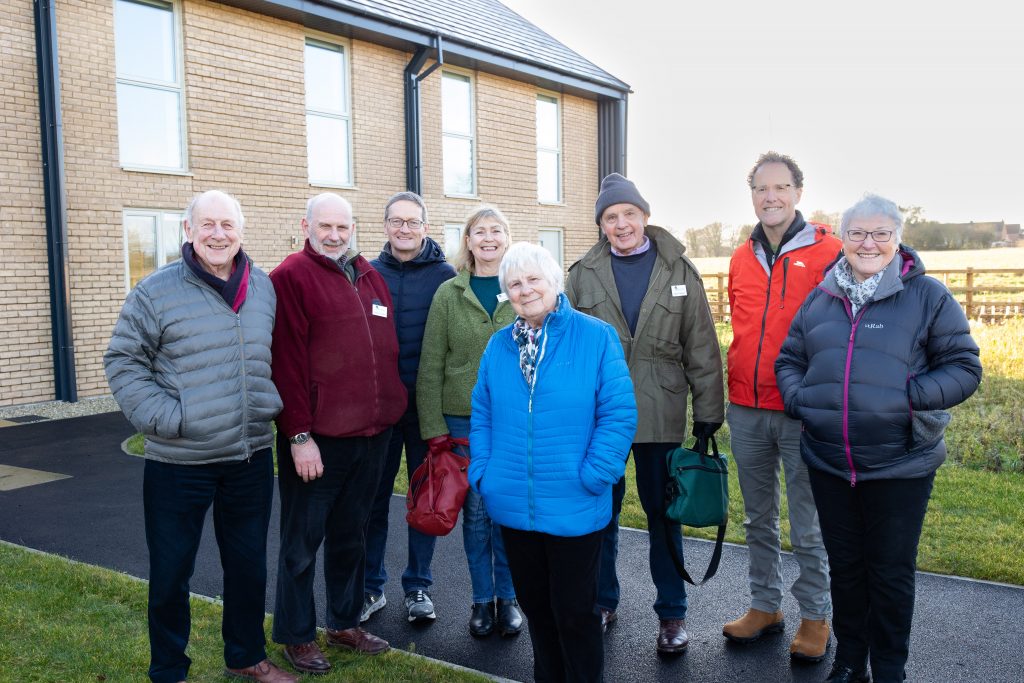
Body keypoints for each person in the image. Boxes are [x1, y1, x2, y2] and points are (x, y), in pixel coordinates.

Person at [775, 194, 982, 683]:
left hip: (899, 465)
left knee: (889, 574)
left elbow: (964, 367)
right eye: (857, 233)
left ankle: (889, 669)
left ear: (897, 239)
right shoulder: (822, 297)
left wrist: (907, 397)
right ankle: (851, 662)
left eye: (880, 233)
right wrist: (802, 400)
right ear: (843, 238)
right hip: (829, 462)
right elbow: (790, 360)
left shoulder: (927, 296)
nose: (868, 243)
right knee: (846, 568)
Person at [104, 190, 295, 683]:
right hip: (179, 461)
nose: (217, 234)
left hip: (248, 456)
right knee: (171, 572)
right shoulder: (155, 291)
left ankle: (246, 656)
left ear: (241, 231)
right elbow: (123, 361)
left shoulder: (263, 287)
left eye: (227, 224)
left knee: (248, 567)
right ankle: (169, 669)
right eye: (207, 224)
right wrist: (169, 419)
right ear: (187, 231)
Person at [566, 173, 725, 654]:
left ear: (644, 216)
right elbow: (568, 346)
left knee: (663, 515)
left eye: (629, 214)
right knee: (600, 513)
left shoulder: (679, 270)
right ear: (601, 225)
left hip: (662, 410)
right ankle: (601, 602)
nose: (621, 224)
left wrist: (708, 412)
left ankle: (672, 614)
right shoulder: (582, 274)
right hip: (601, 415)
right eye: (611, 217)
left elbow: (702, 346)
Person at [470, 242, 637, 682]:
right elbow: (482, 413)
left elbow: (618, 413)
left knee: (575, 614)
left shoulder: (596, 336)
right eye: (514, 283)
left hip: (575, 501)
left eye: (533, 279)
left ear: (554, 281)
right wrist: (484, 473)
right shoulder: (499, 346)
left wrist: (596, 474)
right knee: (538, 611)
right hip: (513, 504)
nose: (525, 290)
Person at [270, 193, 406, 675]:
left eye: (342, 227)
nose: (333, 235)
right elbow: (285, 363)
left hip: (372, 434)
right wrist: (298, 435)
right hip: (318, 440)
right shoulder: (290, 277)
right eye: (324, 226)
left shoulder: (368, 275)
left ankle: (344, 623)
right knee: (302, 543)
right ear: (306, 226)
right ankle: (296, 634)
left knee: (352, 536)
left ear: (353, 228)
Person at [722, 152, 841, 661]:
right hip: (746, 407)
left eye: (780, 187)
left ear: (798, 192)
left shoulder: (830, 252)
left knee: (808, 524)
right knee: (758, 518)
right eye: (761, 188)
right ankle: (765, 605)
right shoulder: (740, 257)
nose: (770, 196)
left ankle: (816, 615)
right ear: (752, 195)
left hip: (801, 410)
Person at [416, 205, 524, 637]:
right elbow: (431, 364)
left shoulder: (521, 286)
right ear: (468, 241)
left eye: (496, 230)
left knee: (505, 510)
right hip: (462, 422)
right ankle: (482, 600)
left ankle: (508, 598)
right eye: (480, 232)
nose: (488, 238)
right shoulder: (449, 293)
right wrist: (433, 427)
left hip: (514, 420)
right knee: (477, 514)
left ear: (507, 238)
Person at [363, 191, 456, 624]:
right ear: (385, 226)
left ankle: (418, 586)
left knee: (425, 501)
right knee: (373, 501)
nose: (404, 229)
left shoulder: (445, 277)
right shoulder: (367, 274)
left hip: (426, 410)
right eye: (396, 221)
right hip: (380, 411)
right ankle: (370, 586)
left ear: (425, 227)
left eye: (412, 222)